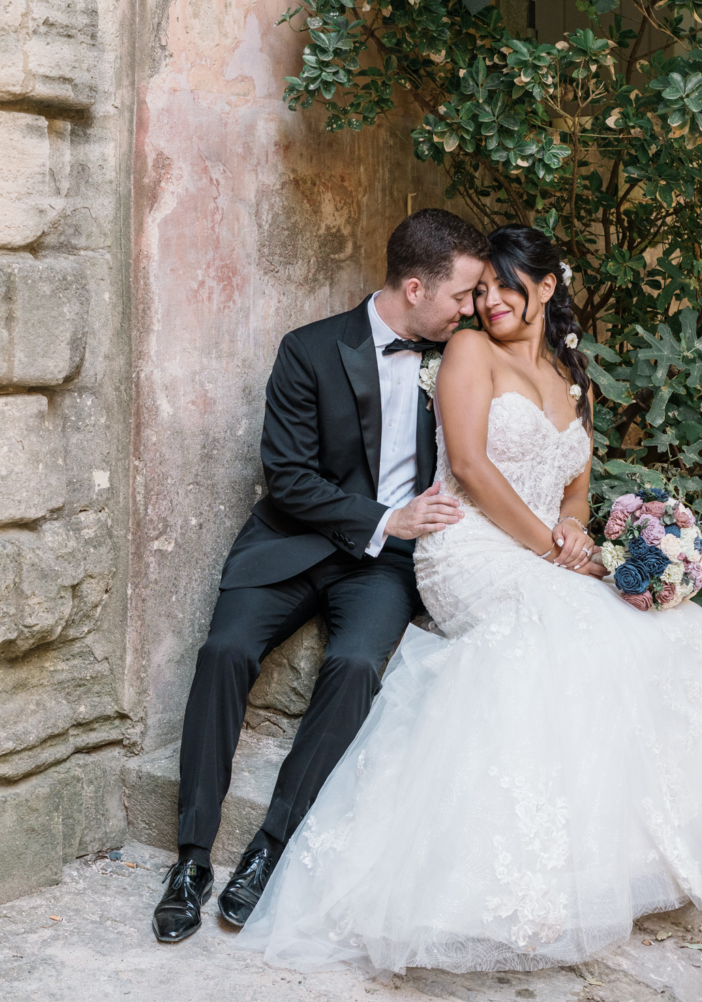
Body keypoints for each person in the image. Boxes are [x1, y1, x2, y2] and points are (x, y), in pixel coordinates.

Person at [237, 225, 702, 973]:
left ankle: (622, 859)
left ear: (548, 286)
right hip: (467, 545)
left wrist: (573, 529)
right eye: (483, 287)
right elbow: (467, 463)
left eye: (505, 285)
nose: (490, 301)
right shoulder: (470, 351)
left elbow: (577, 486)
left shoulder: (574, 376)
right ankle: (515, 884)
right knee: (565, 625)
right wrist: (548, 545)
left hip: (537, 543)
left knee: (676, 628)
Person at [151, 209, 491, 943]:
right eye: (461, 294)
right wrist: (384, 517)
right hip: (293, 541)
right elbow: (290, 478)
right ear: (413, 287)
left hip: (387, 567)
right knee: (224, 652)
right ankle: (190, 856)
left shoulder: (461, 357)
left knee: (354, 663)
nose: (471, 309)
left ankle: (269, 847)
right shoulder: (308, 350)